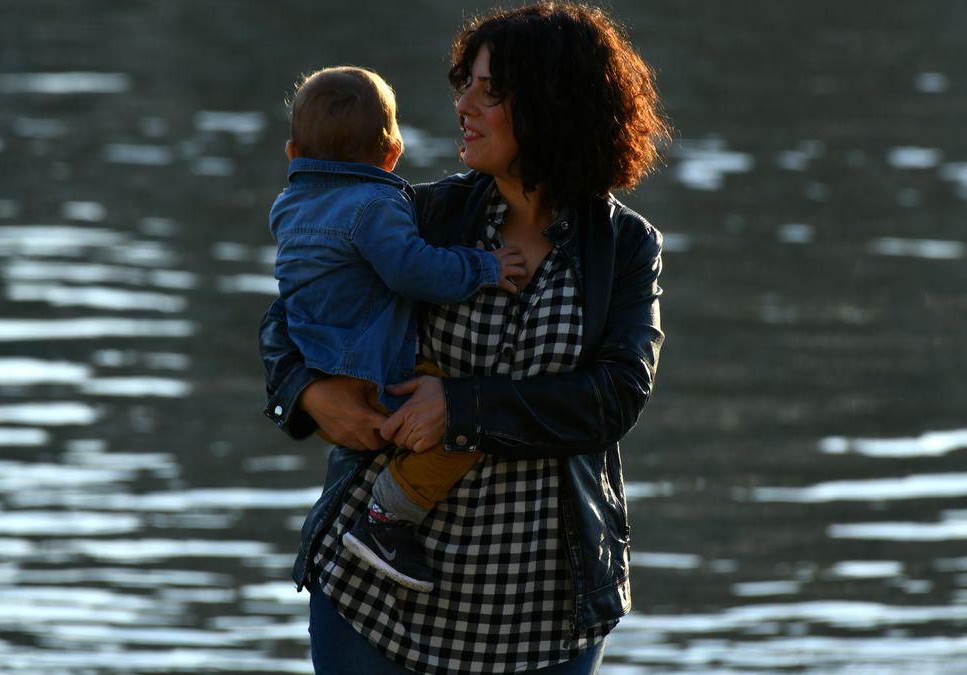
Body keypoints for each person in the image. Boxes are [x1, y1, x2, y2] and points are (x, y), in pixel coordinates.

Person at [261, 3, 670, 673]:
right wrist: (308, 393)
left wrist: (460, 407)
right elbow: (295, 310)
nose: (464, 106)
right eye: (466, 85)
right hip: (373, 604)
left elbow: (614, 398)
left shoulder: (625, 247)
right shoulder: (423, 213)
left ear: (551, 105)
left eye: (491, 91)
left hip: (542, 615)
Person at [270, 66, 526, 593]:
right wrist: (484, 267)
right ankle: (386, 520)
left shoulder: (288, 206)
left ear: (293, 154)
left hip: (323, 370)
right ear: (393, 153)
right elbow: (414, 270)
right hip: (372, 373)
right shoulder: (380, 207)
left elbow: (287, 303)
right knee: (462, 429)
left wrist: (307, 389)